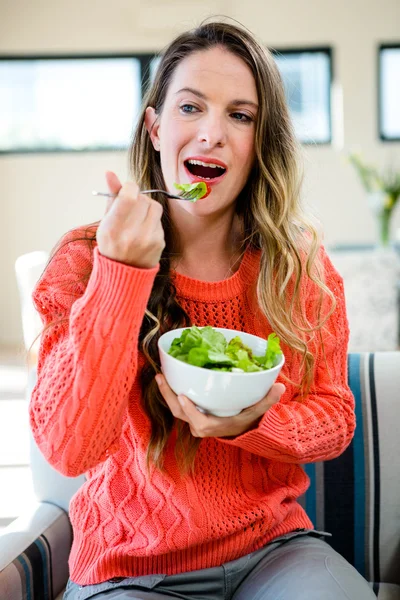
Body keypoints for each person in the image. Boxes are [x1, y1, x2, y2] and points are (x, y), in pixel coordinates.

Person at [29, 19, 376, 600]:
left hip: (272, 550)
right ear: (155, 127)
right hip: (129, 567)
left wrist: (255, 424)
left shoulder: (299, 267)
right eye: (191, 108)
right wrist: (122, 274)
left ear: (259, 140)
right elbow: (70, 448)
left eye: (240, 116)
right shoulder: (87, 258)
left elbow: (336, 419)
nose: (213, 134)